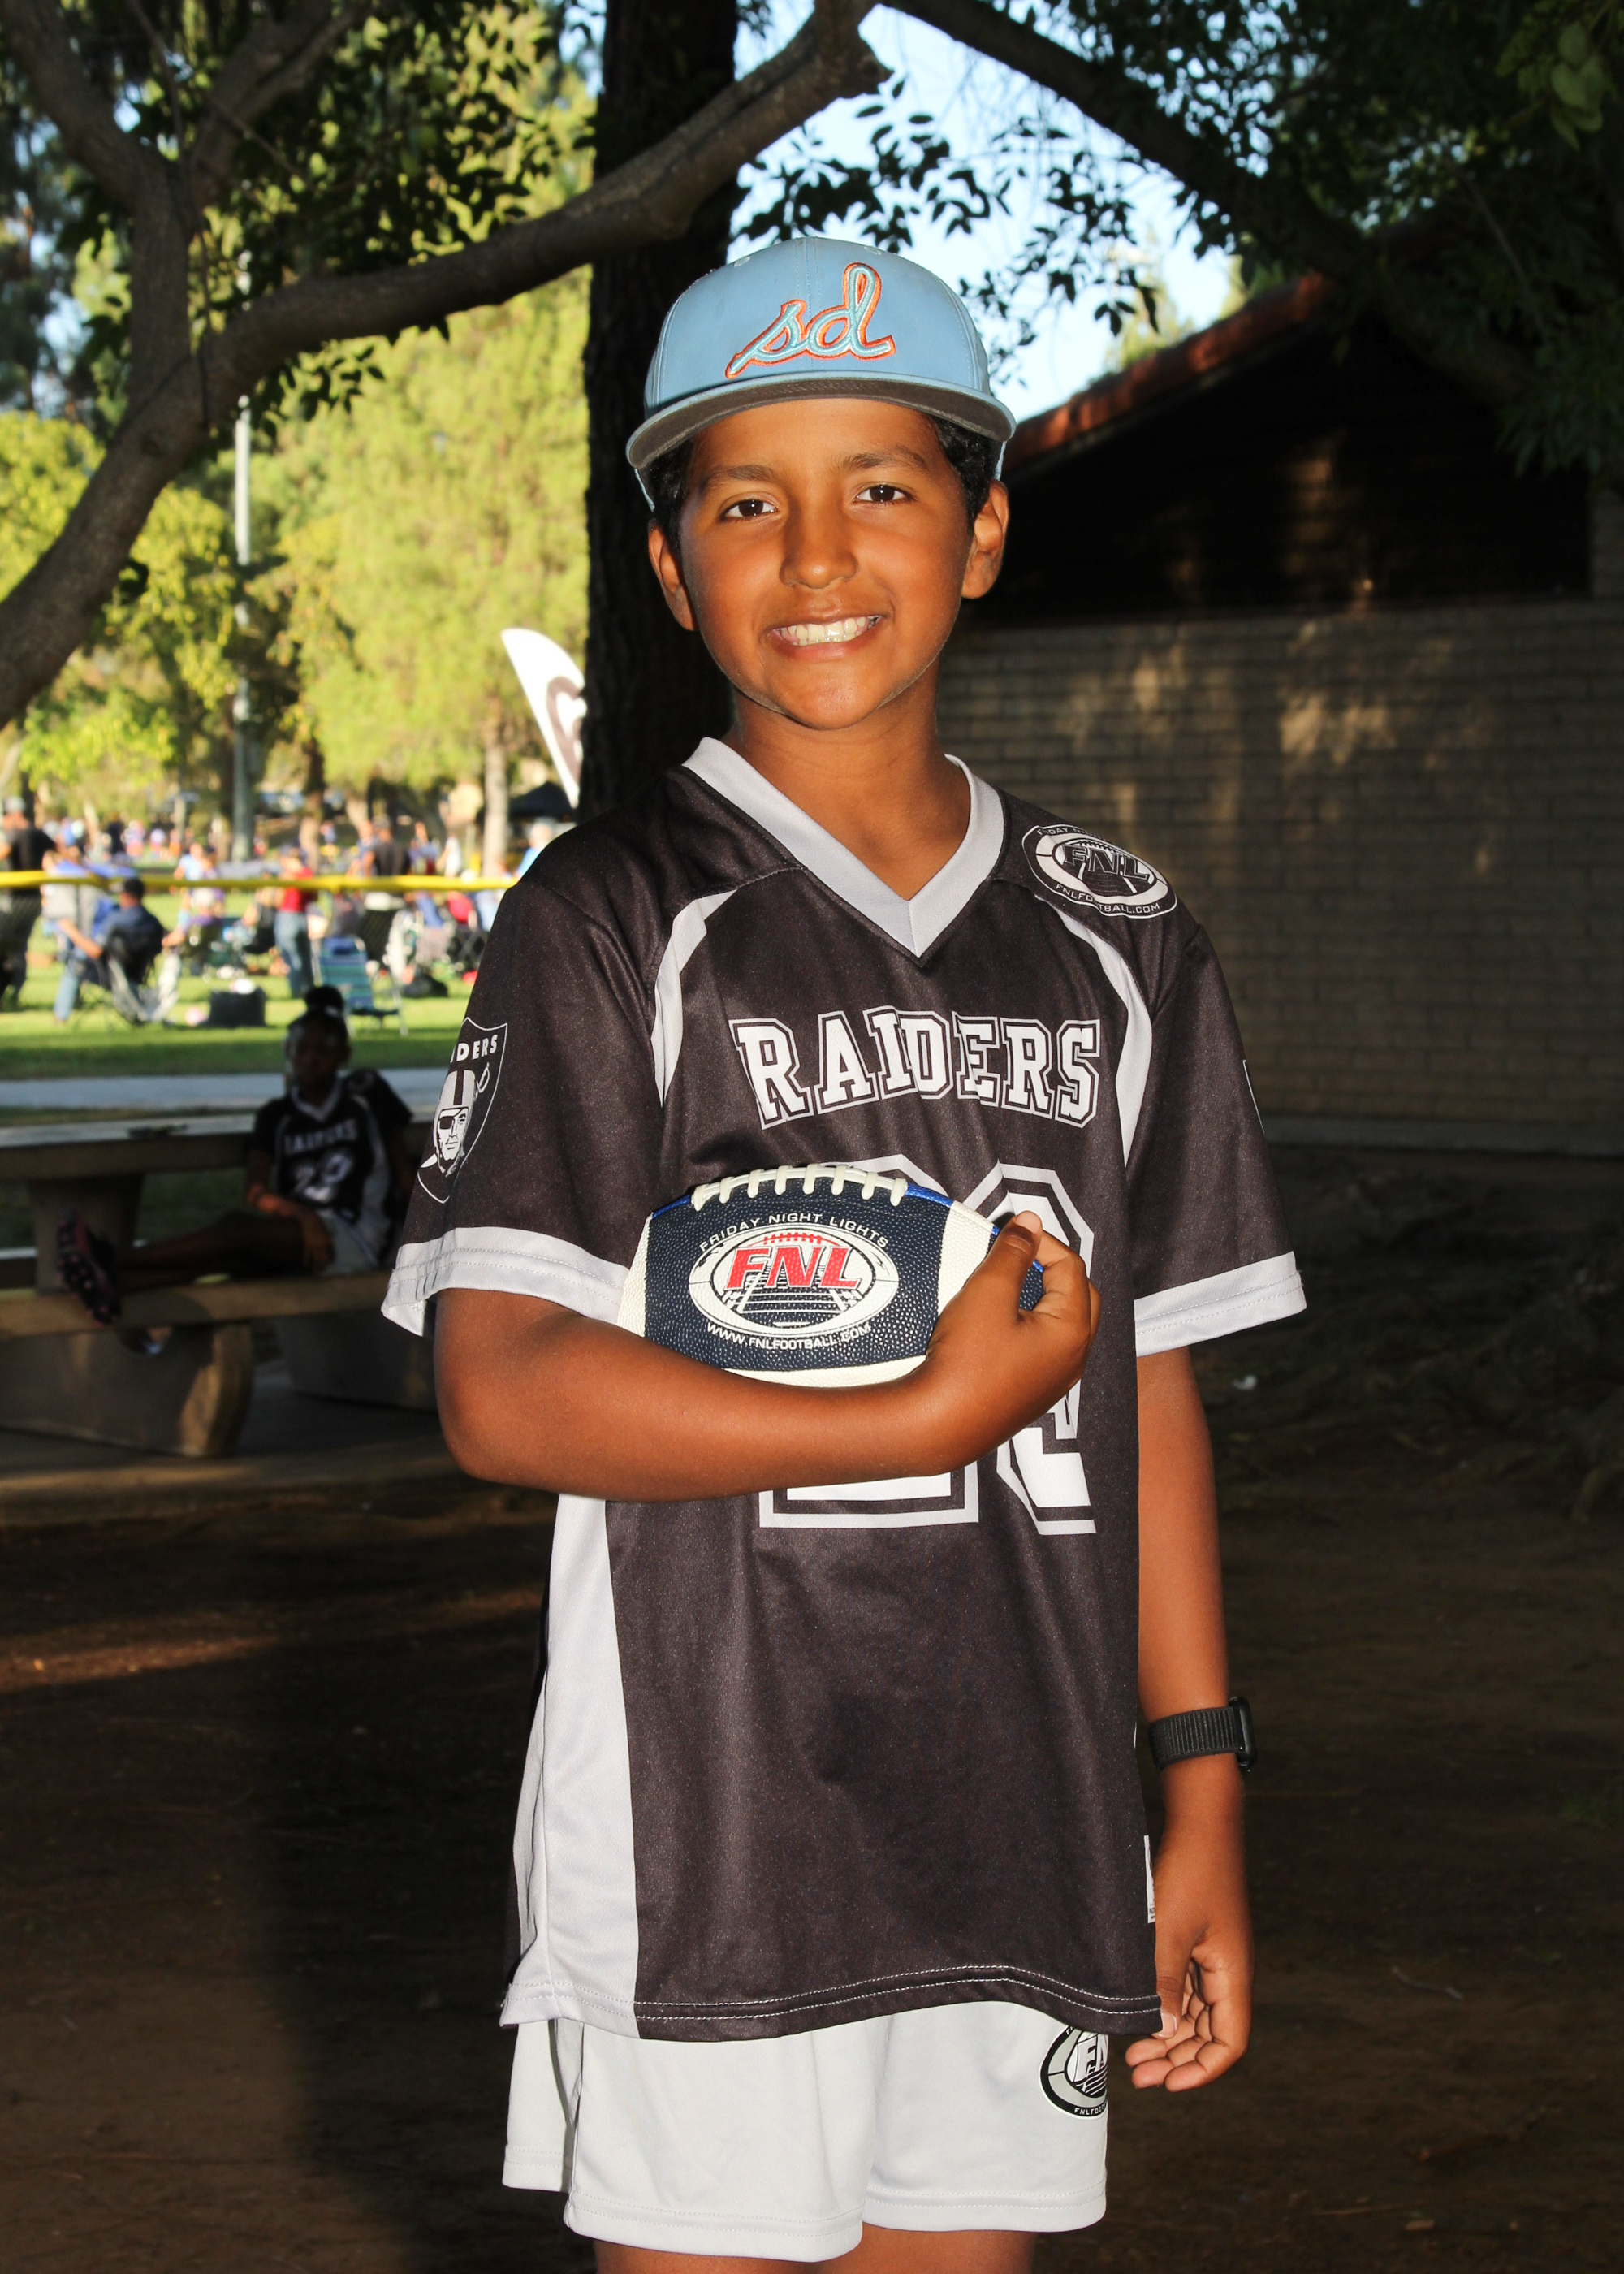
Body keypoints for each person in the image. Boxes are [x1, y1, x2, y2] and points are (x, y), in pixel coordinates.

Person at [384, 239, 1306, 2268]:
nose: (814, 553)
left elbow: (1144, 1381)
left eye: (879, 487)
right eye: (744, 503)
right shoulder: (609, 916)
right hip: (714, 1825)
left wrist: (1200, 1789)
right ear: (668, 569)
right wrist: (912, 1415)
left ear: (980, 532)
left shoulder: (1117, 933)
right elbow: (501, 1388)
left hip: (1021, 1808)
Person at [57, 988, 414, 1324]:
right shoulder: (277, 1115)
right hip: (300, 1233)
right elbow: (255, 1191)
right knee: (227, 1258)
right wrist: (304, 1216)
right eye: (301, 1049)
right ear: (288, 1050)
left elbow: (404, 1175)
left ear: (344, 1055)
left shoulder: (365, 1093)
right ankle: (112, 1287)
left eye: (323, 1050)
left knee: (234, 1231)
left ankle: (110, 1258)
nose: (311, 1059)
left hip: (358, 1235)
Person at [51, 875, 165, 1021]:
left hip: (112, 976)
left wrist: (70, 931)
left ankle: (60, 1017)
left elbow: (95, 951)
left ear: (126, 896)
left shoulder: (117, 919)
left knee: (75, 962)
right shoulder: (152, 921)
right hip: (140, 975)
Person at [273, 848, 317, 995]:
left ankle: (297, 991)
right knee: (305, 957)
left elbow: (278, 900)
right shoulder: (308, 874)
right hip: (302, 917)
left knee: (292, 957)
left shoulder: (287, 876)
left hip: (287, 917)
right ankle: (310, 989)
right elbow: (315, 897)